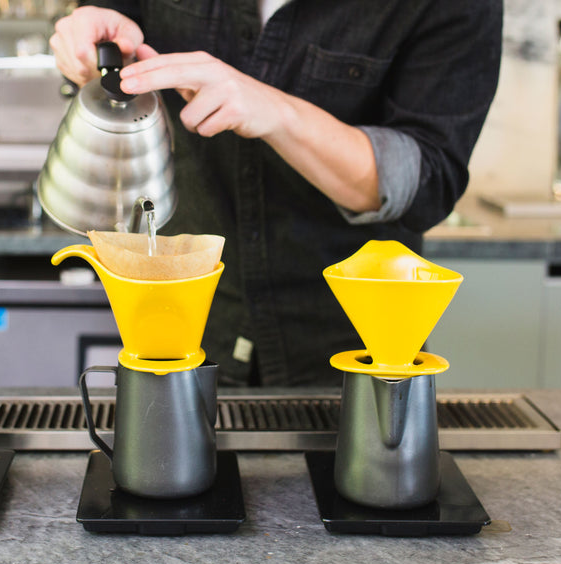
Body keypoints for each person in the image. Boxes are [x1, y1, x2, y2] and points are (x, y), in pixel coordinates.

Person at [50, 1, 503, 387]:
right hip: (186, 329)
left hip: (355, 350)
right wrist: (91, 27)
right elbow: (111, 19)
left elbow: (427, 181)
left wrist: (279, 113)